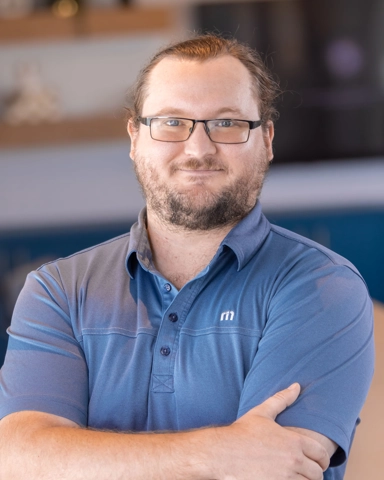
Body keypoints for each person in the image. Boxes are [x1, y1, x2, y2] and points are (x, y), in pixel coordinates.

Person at [0, 34, 374, 480]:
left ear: (267, 139)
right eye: (172, 122)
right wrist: (216, 454)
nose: (198, 149)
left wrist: (83, 458)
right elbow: (19, 458)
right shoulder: (59, 291)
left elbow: (275, 470)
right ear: (135, 138)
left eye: (227, 123)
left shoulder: (322, 287)